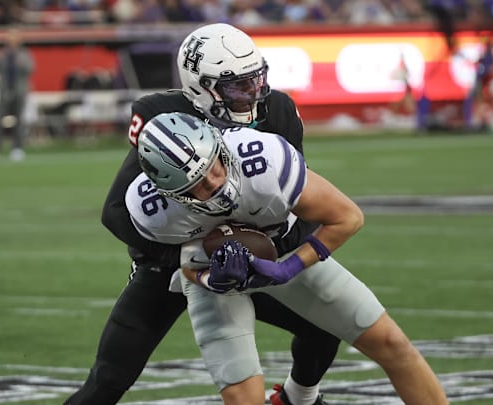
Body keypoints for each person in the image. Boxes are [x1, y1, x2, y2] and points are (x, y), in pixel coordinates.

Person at [65, 23, 340, 405]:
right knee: (110, 379)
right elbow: (116, 212)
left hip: (247, 261)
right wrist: (187, 257)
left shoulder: (276, 111)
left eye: (256, 81)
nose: (253, 95)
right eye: (237, 87)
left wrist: (264, 252)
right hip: (170, 267)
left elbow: (300, 201)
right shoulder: (166, 120)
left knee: (325, 326)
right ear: (200, 86)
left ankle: (297, 399)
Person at [126, 111, 450, 405]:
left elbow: (347, 217)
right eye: (198, 185)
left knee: (392, 344)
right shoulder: (152, 212)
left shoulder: (262, 158)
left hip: (284, 250)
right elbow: (186, 266)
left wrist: (290, 267)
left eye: (214, 167)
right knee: (245, 399)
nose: (216, 183)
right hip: (214, 281)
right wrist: (213, 278)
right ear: (171, 193)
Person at [0, 28, 34, 162]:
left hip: (19, 90)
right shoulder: (3, 53)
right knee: (0, 119)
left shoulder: (24, 54)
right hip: (4, 90)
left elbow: (30, 69)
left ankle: (17, 148)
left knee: (18, 119)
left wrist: (20, 62)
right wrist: (0, 59)